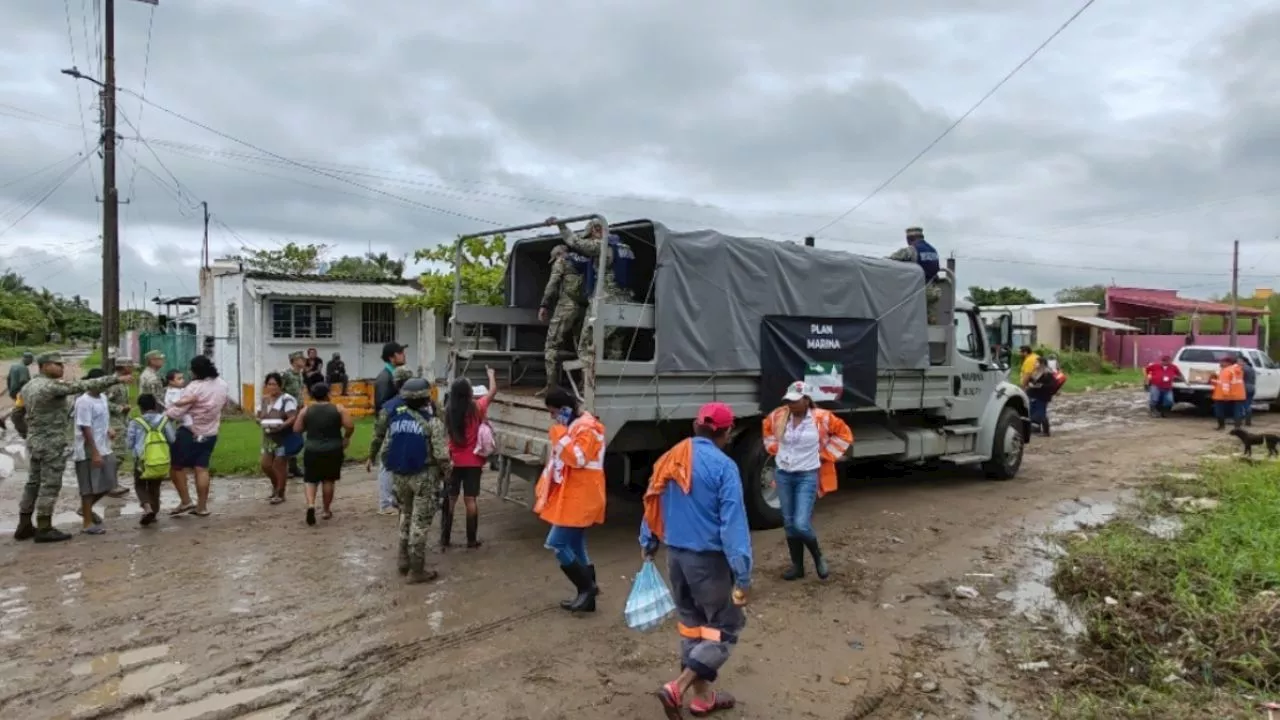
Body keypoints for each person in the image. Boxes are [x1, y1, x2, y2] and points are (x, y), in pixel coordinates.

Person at [641, 402, 751, 718]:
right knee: (725, 627)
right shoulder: (723, 467)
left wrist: (648, 541)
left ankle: (703, 699)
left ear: (695, 425)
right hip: (709, 563)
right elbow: (733, 524)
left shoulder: (670, 458)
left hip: (675, 557)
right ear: (727, 432)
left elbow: (652, 502)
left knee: (692, 625)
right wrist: (742, 573)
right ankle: (679, 686)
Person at [13, 352, 128, 543]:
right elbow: (82, 385)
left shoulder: (28, 386)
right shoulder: (50, 386)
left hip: (35, 442)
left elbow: (17, 414)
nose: (61, 367)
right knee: (49, 485)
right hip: (51, 443)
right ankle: (44, 526)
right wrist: (115, 378)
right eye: (57, 364)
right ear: (44, 366)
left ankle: (24, 523)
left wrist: (28, 433)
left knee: (33, 483)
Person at [762, 381, 852, 581]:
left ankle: (818, 557)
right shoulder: (779, 415)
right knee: (789, 522)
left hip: (807, 475)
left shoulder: (821, 418)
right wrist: (775, 449)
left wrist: (826, 454)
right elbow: (767, 430)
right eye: (788, 401)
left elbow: (844, 435)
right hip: (784, 474)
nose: (791, 405)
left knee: (801, 523)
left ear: (807, 400)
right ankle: (798, 566)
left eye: (795, 401)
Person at [532, 387, 607, 612]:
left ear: (564, 409)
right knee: (576, 545)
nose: (552, 417)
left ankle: (587, 589)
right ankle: (587, 597)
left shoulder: (586, 428)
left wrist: (559, 434)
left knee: (556, 543)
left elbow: (578, 458)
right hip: (578, 494)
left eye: (553, 412)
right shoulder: (577, 425)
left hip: (581, 495)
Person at [546, 217, 635, 387]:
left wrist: (561, 225)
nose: (590, 240)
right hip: (626, 306)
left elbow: (574, 242)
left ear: (596, 230)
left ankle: (588, 391)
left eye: (590, 236)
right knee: (614, 349)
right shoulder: (625, 248)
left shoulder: (602, 245)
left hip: (606, 304)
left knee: (586, 347)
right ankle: (612, 388)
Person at [381, 378, 451, 583]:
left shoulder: (396, 420)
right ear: (426, 398)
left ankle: (403, 562)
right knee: (419, 524)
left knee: (405, 516)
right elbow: (441, 455)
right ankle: (417, 570)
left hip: (400, 476)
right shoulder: (433, 423)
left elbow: (385, 452)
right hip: (424, 476)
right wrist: (447, 473)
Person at [443, 366, 498, 550]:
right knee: (470, 500)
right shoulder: (477, 407)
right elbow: (492, 392)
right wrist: (490, 375)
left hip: (453, 461)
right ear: (468, 393)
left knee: (450, 498)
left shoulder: (448, 411)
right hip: (473, 462)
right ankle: (471, 540)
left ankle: (445, 538)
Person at [165, 355, 228, 516]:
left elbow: (179, 411)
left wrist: (166, 413)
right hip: (211, 432)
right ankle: (202, 506)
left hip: (189, 432)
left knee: (176, 466)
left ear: (195, 371)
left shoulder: (194, 387)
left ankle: (186, 501)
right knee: (202, 468)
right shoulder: (222, 384)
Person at [294, 382, 354, 526]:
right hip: (333, 449)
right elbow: (350, 425)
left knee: (310, 480)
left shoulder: (306, 410)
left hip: (312, 449)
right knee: (328, 480)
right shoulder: (338, 409)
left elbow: (297, 429)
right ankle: (326, 510)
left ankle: (310, 505)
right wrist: (346, 437)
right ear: (328, 394)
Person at [71, 368, 116, 536]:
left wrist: (108, 429)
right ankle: (87, 523)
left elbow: (101, 419)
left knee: (109, 483)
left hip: (104, 445)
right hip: (88, 449)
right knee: (88, 488)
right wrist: (94, 451)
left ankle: (85, 509)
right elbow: (85, 427)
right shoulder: (84, 401)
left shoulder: (103, 398)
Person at [538, 244, 586, 396]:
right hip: (584, 309)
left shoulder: (561, 262)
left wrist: (544, 304)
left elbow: (552, 284)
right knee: (582, 348)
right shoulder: (585, 260)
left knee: (551, 346)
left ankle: (551, 387)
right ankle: (585, 386)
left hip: (566, 307)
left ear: (559, 254)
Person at [126, 393, 176, 527]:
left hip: (141, 460)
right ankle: (154, 511)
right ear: (155, 405)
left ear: (140, 407)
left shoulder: (135, 422)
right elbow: (172, 439)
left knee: (140, 484)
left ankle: (147, 508)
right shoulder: (164, 420)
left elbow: (130, 444)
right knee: (155, 486)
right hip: (160, 459)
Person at [373, 341, 409, 513]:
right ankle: (385, 503)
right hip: (389, 425)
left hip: (397, 424)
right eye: (400, 352)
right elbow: (382, 406)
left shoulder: (394, 374)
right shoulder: (385, 378)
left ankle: (393, 498)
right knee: (387, 464)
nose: (404, 355)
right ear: (392, 357)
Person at [255, 372, 302, 504]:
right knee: (265, 465)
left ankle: (280, 492)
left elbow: (293, 417)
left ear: (280, 386)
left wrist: (282, 425)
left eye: (274, 384)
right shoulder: (264, 400)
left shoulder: (287, 399)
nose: (272, 387)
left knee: (279, 464)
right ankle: (276, 486)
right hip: (268, 437)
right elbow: (259, 415)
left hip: (283, 436)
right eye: (269, 384)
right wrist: (258, 420)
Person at [888, 227, 942, 322]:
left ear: (910, 239)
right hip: (934, 291)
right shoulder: (933, 251)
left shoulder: (912, 250)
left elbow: (890, 260)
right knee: (930, 322)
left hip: (919, 292)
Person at [104, 357, 136, 498]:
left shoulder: (121, 382)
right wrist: (120, 408)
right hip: (114, 422)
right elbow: (103, 401)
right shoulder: (114, 383)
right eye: (131, 366)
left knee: (119, 454)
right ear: (124, 368)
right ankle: (109, 485)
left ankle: (112, 483)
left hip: (121, 420)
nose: (133, 368)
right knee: (117, 454)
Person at [281, 351, 308, 479]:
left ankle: (293, 467)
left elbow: (300, 392)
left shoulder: (300, 375)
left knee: (297, 437)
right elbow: (279, 391)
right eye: (300, 359)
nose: (303, 361)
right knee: (288, 437)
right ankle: (284, 467)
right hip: (289, 411)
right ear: (294, 361)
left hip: (299, 409)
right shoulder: (287, 375)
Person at [1209, 354, 1245, 431]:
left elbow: (1225, 384)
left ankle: (1221, 426)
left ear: (1228, 363)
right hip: (1239, 394)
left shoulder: (1226, 371)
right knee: (1237, 411)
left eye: (1222, 362)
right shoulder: (1238, 370)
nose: (1220, 363)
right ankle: (1237, 428)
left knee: (1219, 410)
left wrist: (1225, 395)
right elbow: (1227, 382)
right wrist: (1212, 380)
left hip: (1224, 394)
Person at [1025, 357, 1059, 436]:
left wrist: (1041, 386)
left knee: (1041, 413)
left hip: (1042, 396)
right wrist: (1029, 384)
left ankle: (1046, 432)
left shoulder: (1048, 373)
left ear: (1042, 364)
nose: (1035, 364)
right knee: (1031, 412)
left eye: (1037, 362)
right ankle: (1036, 429)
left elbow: (1053, 385)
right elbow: (1030, 381)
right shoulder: (1036, 372)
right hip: (1033, 395)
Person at [1238, 353, 1257, 427]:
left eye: (1239, 361)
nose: (1238, 363)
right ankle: (1248, 421)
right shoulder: (1251, 368)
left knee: (1242, 405)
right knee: (1248, 404)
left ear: (1244, 362)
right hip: (1252, 387)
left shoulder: (1243, 369)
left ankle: (1240, 420)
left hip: (1244, 387)